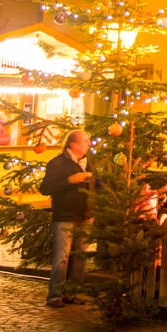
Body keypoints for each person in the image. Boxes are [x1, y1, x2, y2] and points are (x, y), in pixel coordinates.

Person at [39, 129, 94, 307]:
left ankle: (72, 292)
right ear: (73, 144)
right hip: (65, 215)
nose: (88, 145)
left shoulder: (87, 162)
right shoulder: (58, 163)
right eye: (85, 142)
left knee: (80, 257)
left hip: (85, 214)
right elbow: (45, 187)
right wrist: (70, 180)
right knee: (62, 256)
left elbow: (97, 184)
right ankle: (55, 294)